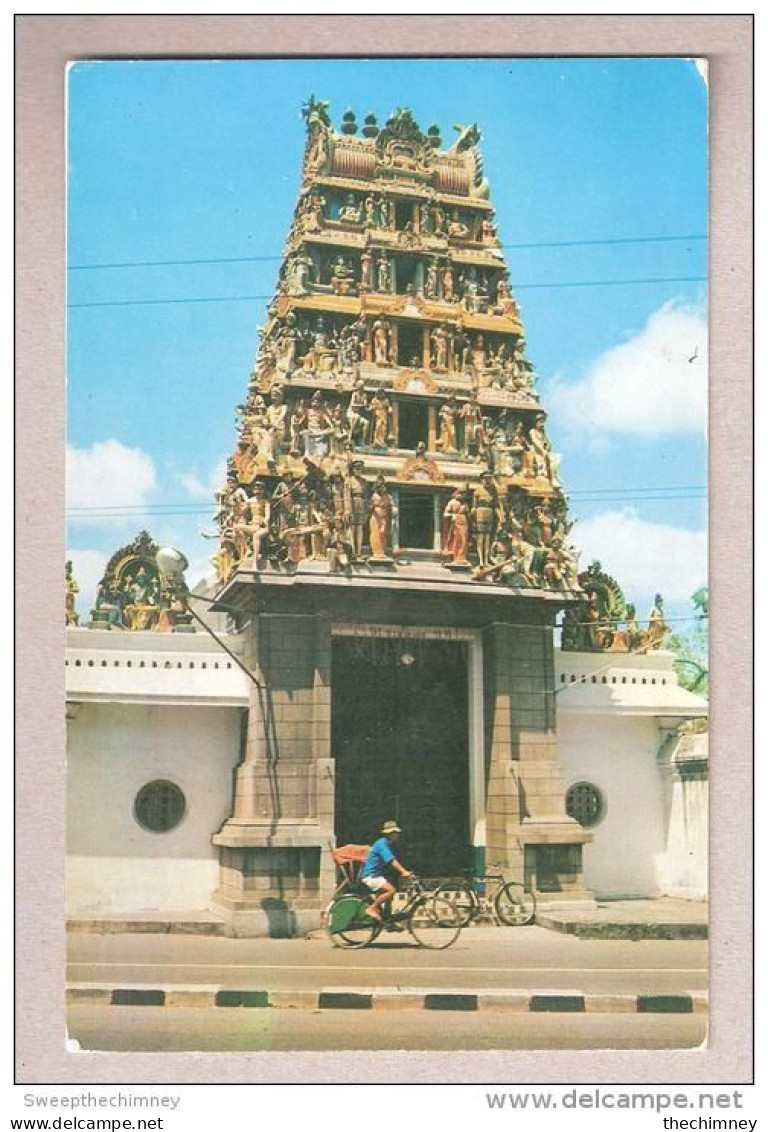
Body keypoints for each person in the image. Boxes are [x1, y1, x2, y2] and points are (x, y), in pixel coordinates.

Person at [359, 821, 413, 922]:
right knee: (391, 890)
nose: (397, 835)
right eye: (395, 833)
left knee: (390, 894)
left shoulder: (388, 843)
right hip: (370, 876)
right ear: (390, 833)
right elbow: (391, 860)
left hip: (377, 875)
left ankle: (387, 919)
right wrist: (403, 871)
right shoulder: (382, 844)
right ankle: (371, 908)